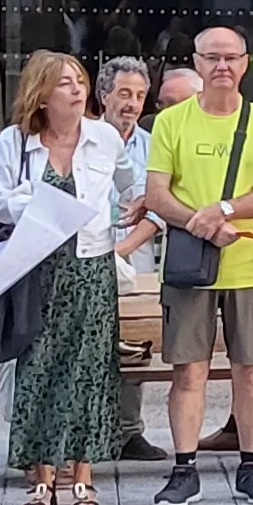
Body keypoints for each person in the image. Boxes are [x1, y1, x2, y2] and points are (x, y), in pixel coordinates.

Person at [142, 26, 253, 505]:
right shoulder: (171, 122)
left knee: (251, 371)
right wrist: (204, 225)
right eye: (212, 57)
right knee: (188, 372)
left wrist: (223, 210)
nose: (222, 66)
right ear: (197, 62)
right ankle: (184, 469)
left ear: (246, 63)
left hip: (251, 264)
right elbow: (157, 194)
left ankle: (251, 466)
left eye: (231, 57)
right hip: (190, 267)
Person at [0, 50, 131, 505]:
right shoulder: (16, 141)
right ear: (42, 94)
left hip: (90, 267)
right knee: (39, 367)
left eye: (80, 81)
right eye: (65, 83)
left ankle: (84, 475)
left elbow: (131, 184)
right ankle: (42, 476)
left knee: (90, 369)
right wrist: (36, 200)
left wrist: (134, 211)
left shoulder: (104, 137)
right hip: (37, 266)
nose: (77, 90)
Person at [93, 56, 169, 463]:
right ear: (103, 95)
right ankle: (90, 431)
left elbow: (159, 208)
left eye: (140, 95)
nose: (132, 104)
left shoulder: (154, 145)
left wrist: (120, 252)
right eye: (124, 94)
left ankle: (129, 431)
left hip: (134, 259)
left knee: (133, 344)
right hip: (85, 257)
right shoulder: (83, 139)